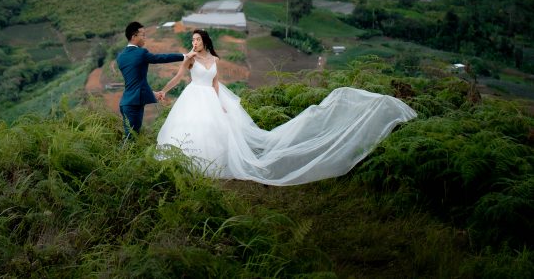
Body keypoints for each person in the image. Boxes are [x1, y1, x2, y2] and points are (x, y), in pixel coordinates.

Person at [155, 29, 417, 185]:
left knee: (214, 131)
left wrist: (221, 104)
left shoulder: (214, 59)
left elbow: (215, 83)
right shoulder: (189, 59)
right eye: (192, 39)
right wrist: (164, 91)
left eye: (197, 39)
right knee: (191, 128)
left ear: (205, 41)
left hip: (211, 98)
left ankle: (209, 166)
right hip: (193, 96)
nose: (194, 42)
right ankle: (186, 166)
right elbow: (178, 77)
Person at [117, 21, 187, 140]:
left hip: (126, 103)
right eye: (143, 35)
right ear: (134, 36)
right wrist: (184, 56)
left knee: (130, 137)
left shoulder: (121, 56)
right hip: (134, 105)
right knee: (131, 139)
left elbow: (135, 82)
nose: (145, 38)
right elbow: (160, 58)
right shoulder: (141, 53)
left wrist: (153, 93)